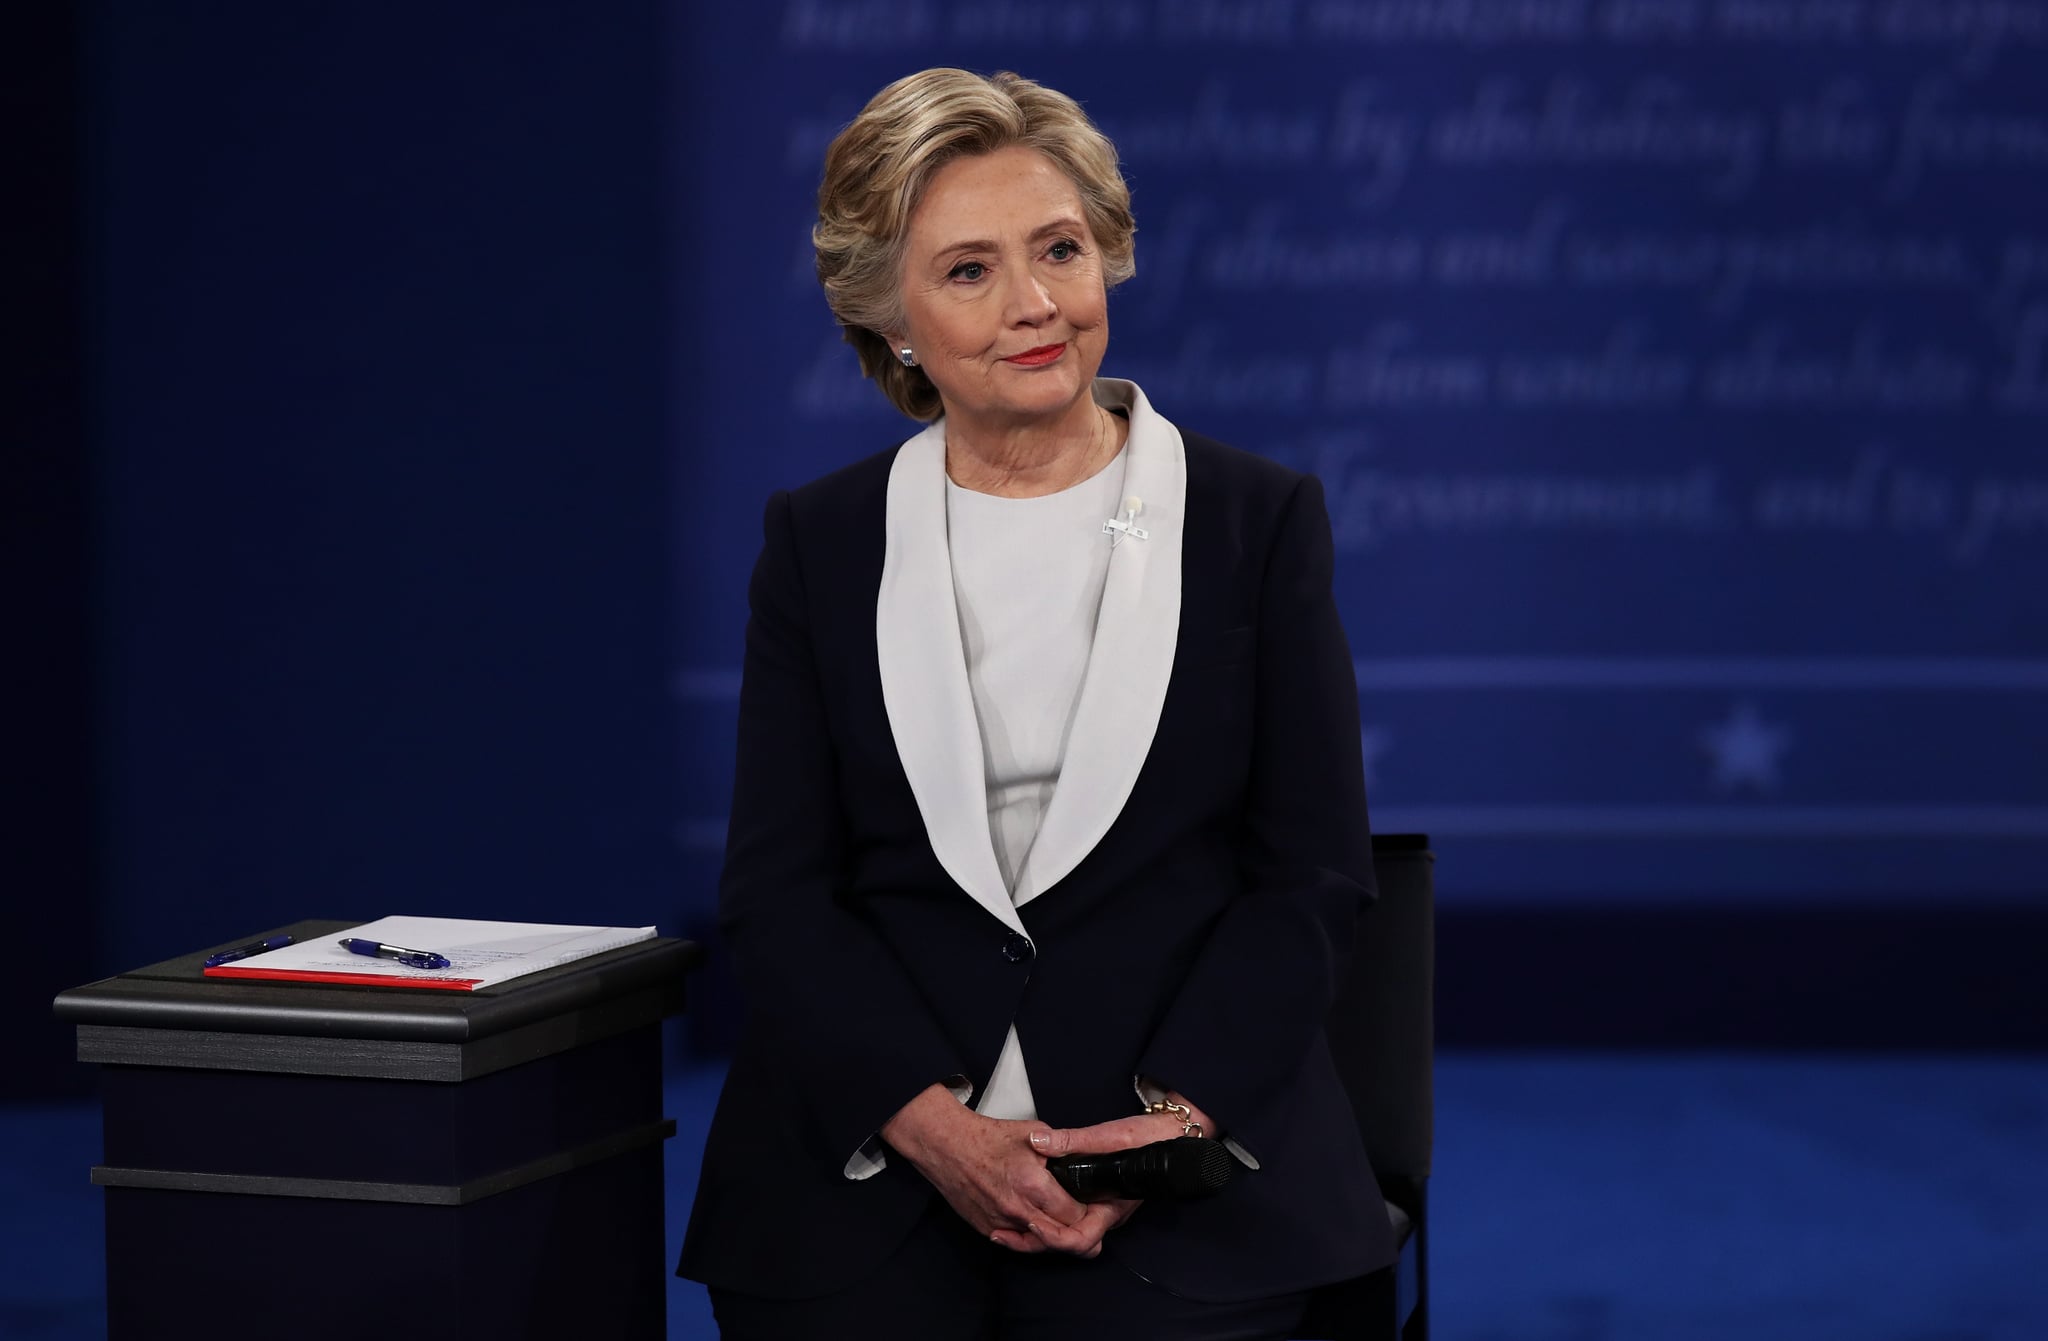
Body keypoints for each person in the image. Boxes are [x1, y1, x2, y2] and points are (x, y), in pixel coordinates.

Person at [678, 67, 1395, 1339]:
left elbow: (1311, 875)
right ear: (887, 320)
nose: (1032, 305)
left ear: (1106, 257)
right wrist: (938, 1131)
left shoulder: (1255, 521)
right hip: (872, 1174)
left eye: (1058, 250)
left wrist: (1162, 1135)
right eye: (966, 271)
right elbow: (778, 892)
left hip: (1187, 1175)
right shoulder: (821, 542)